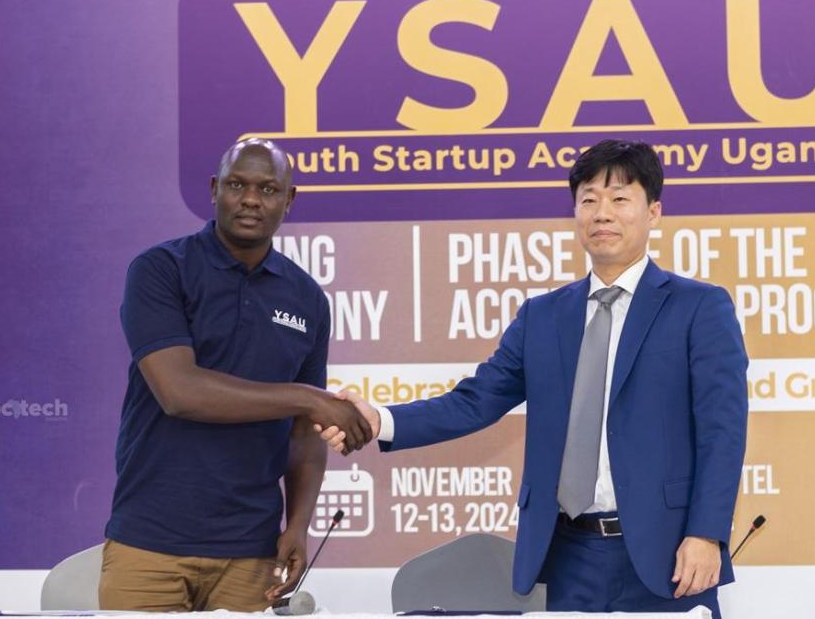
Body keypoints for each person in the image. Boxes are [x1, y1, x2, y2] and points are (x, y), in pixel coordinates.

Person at [320, 140, 748, 616]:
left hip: (667, 553)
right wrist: (379, 420)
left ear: (653, 212)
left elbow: (722, 432)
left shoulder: (699, 308)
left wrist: (706, 533)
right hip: (567, 554)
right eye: (589, 200)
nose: (602, 213)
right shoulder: (542, 317)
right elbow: (475, 401)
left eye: (620, 198)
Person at [99, 138, 372, 612]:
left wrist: (298, 524)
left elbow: (304, 434)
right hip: (149, 545)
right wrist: (308, 397)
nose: (250, 199)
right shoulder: (162, 270)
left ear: (288, 200)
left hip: (250, 553)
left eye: (267, 188)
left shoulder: (307, 299)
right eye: (236, 185)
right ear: (214, 190)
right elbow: (180, 392)